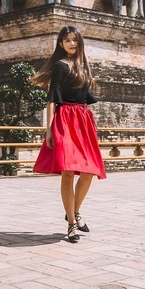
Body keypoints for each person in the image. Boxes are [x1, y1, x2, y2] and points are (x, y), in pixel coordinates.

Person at [32, 26, 106, 243]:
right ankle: (71, 224)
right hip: (65, 119)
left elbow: (86, 96)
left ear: (79, 42)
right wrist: (49, 130)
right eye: (67, 41)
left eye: (74, 40)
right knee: (67, 171)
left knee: (89, 172)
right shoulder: (60, 66)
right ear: (61, 44)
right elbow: (52, 97)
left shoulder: (84, 66)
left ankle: (73, 211)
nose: (71, 44)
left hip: (83, 121)